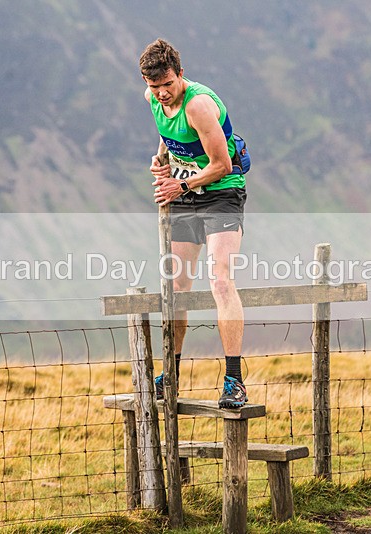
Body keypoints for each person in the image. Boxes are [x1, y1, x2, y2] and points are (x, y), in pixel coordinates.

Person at [139, 38, 248, 408]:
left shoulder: (197, 105)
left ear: (181, 74)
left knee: (220, 281)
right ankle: (170, 374)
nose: (162, 93)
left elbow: (223, 165)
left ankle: (233, 380)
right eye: (155, 86)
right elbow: (169, 137)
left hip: (221, 194)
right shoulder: (153, 99)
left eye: (168, 84)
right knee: (176, 286)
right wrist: (161, 160)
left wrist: (180, 184)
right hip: (185, 196)